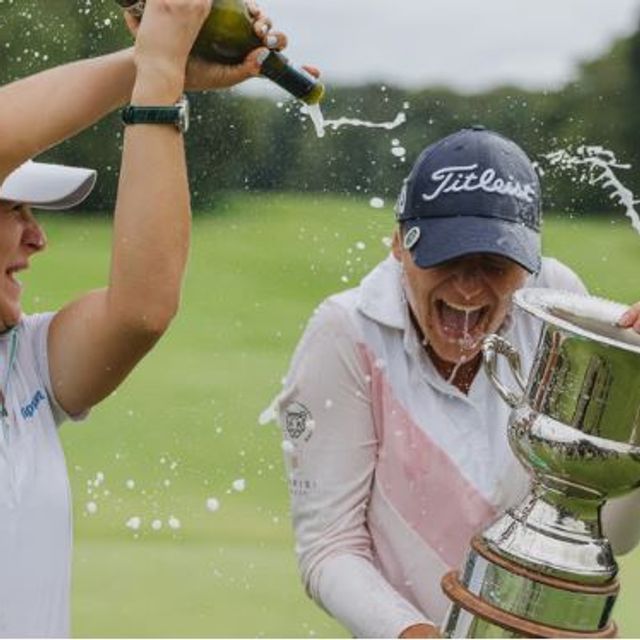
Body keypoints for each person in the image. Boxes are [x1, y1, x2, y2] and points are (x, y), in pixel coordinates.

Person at [0, 1, 302, 636]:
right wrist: (155, 60)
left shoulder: (24, 362)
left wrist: (162, 65)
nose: (36, 238)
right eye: (14, 210)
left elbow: (142, 309)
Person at [275, 126, 640, 638]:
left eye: (494, 263)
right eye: (447, 257)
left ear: (528, 263)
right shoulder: (346, 333)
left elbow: (608, 534)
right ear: (400, 244)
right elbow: (329, 547)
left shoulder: (556, 306)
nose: (468, 288)